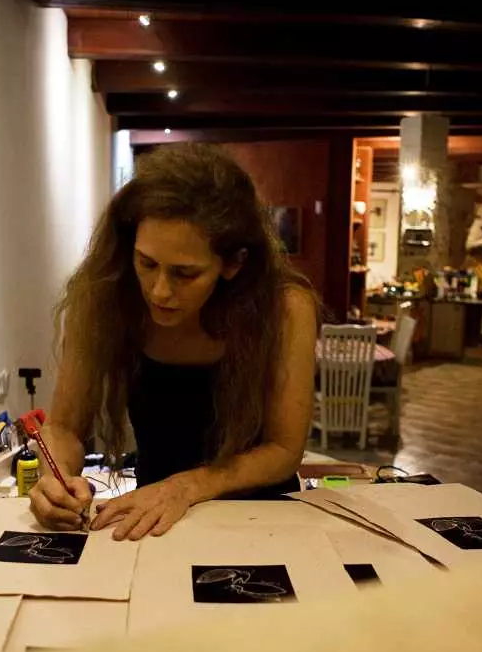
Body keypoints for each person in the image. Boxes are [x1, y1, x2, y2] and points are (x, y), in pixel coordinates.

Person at [28, 144, 319, 541]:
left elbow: (284, 450)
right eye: (146, 263)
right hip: (155, 522)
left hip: (261, 519)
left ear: (233, 264)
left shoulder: (285, 309)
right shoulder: (105, 297)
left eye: (185, 273)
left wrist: (185, 487)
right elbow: (63, 427)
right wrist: (56, 479)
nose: (160, 291)